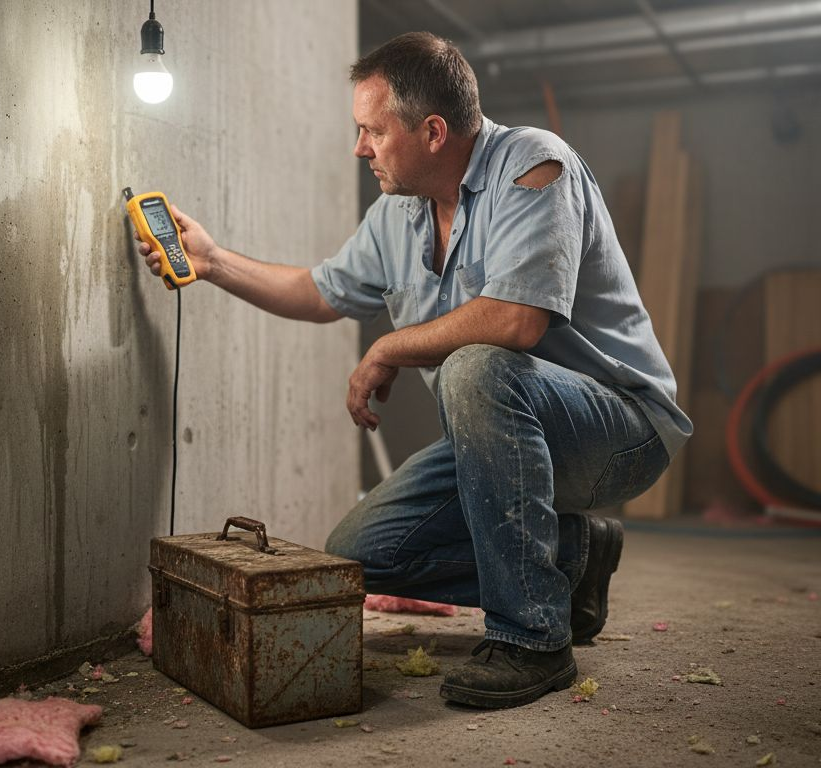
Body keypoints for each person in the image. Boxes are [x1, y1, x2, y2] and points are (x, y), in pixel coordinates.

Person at [135, 31, 691, 709]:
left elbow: (516, 323)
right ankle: (572, 559)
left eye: (372, 130)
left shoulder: (537, 165)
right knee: (361, 553)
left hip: (620, 431)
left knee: (477, 367)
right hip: (510, 441)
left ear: (432, 131)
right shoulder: (396, 215)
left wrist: (387, 348)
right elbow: (319, 291)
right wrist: (215, 260)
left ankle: (533, 640)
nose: (359, 148)